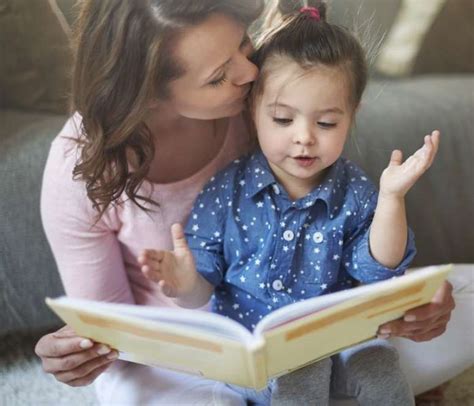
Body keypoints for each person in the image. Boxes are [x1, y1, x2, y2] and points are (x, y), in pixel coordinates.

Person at [34, 0, 458, 405]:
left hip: (317, 330)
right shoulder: (80, 167)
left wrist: (415, 298)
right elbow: (109, 327)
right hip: (180, 355)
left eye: (243, 43)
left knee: (451, 302)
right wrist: (76, 350)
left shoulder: (268, 98)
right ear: (146, 92)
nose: (250, 71)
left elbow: (355, 241)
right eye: (219, 76)